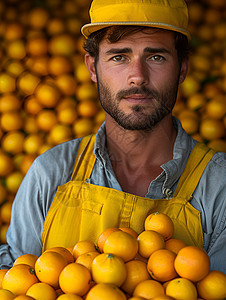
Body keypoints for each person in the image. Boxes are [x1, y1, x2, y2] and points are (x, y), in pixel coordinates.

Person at [0, 0, 225, 273]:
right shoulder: (49, 174)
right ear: (93, 68)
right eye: (119, 57)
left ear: (182, 69)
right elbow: (16, 281)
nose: (137, 77)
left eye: (156, 57)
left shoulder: (219, 188)